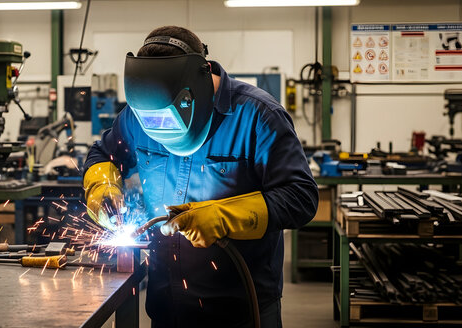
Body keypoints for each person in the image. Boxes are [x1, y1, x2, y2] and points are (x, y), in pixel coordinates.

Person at [83, 26, 318, 328]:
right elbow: (103, 154)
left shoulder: (258, 116)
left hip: (241, 307)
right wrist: (103, 189)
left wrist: (224, 216)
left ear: (202, 77)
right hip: (167, 303)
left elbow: (301, 197)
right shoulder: (137, 115)